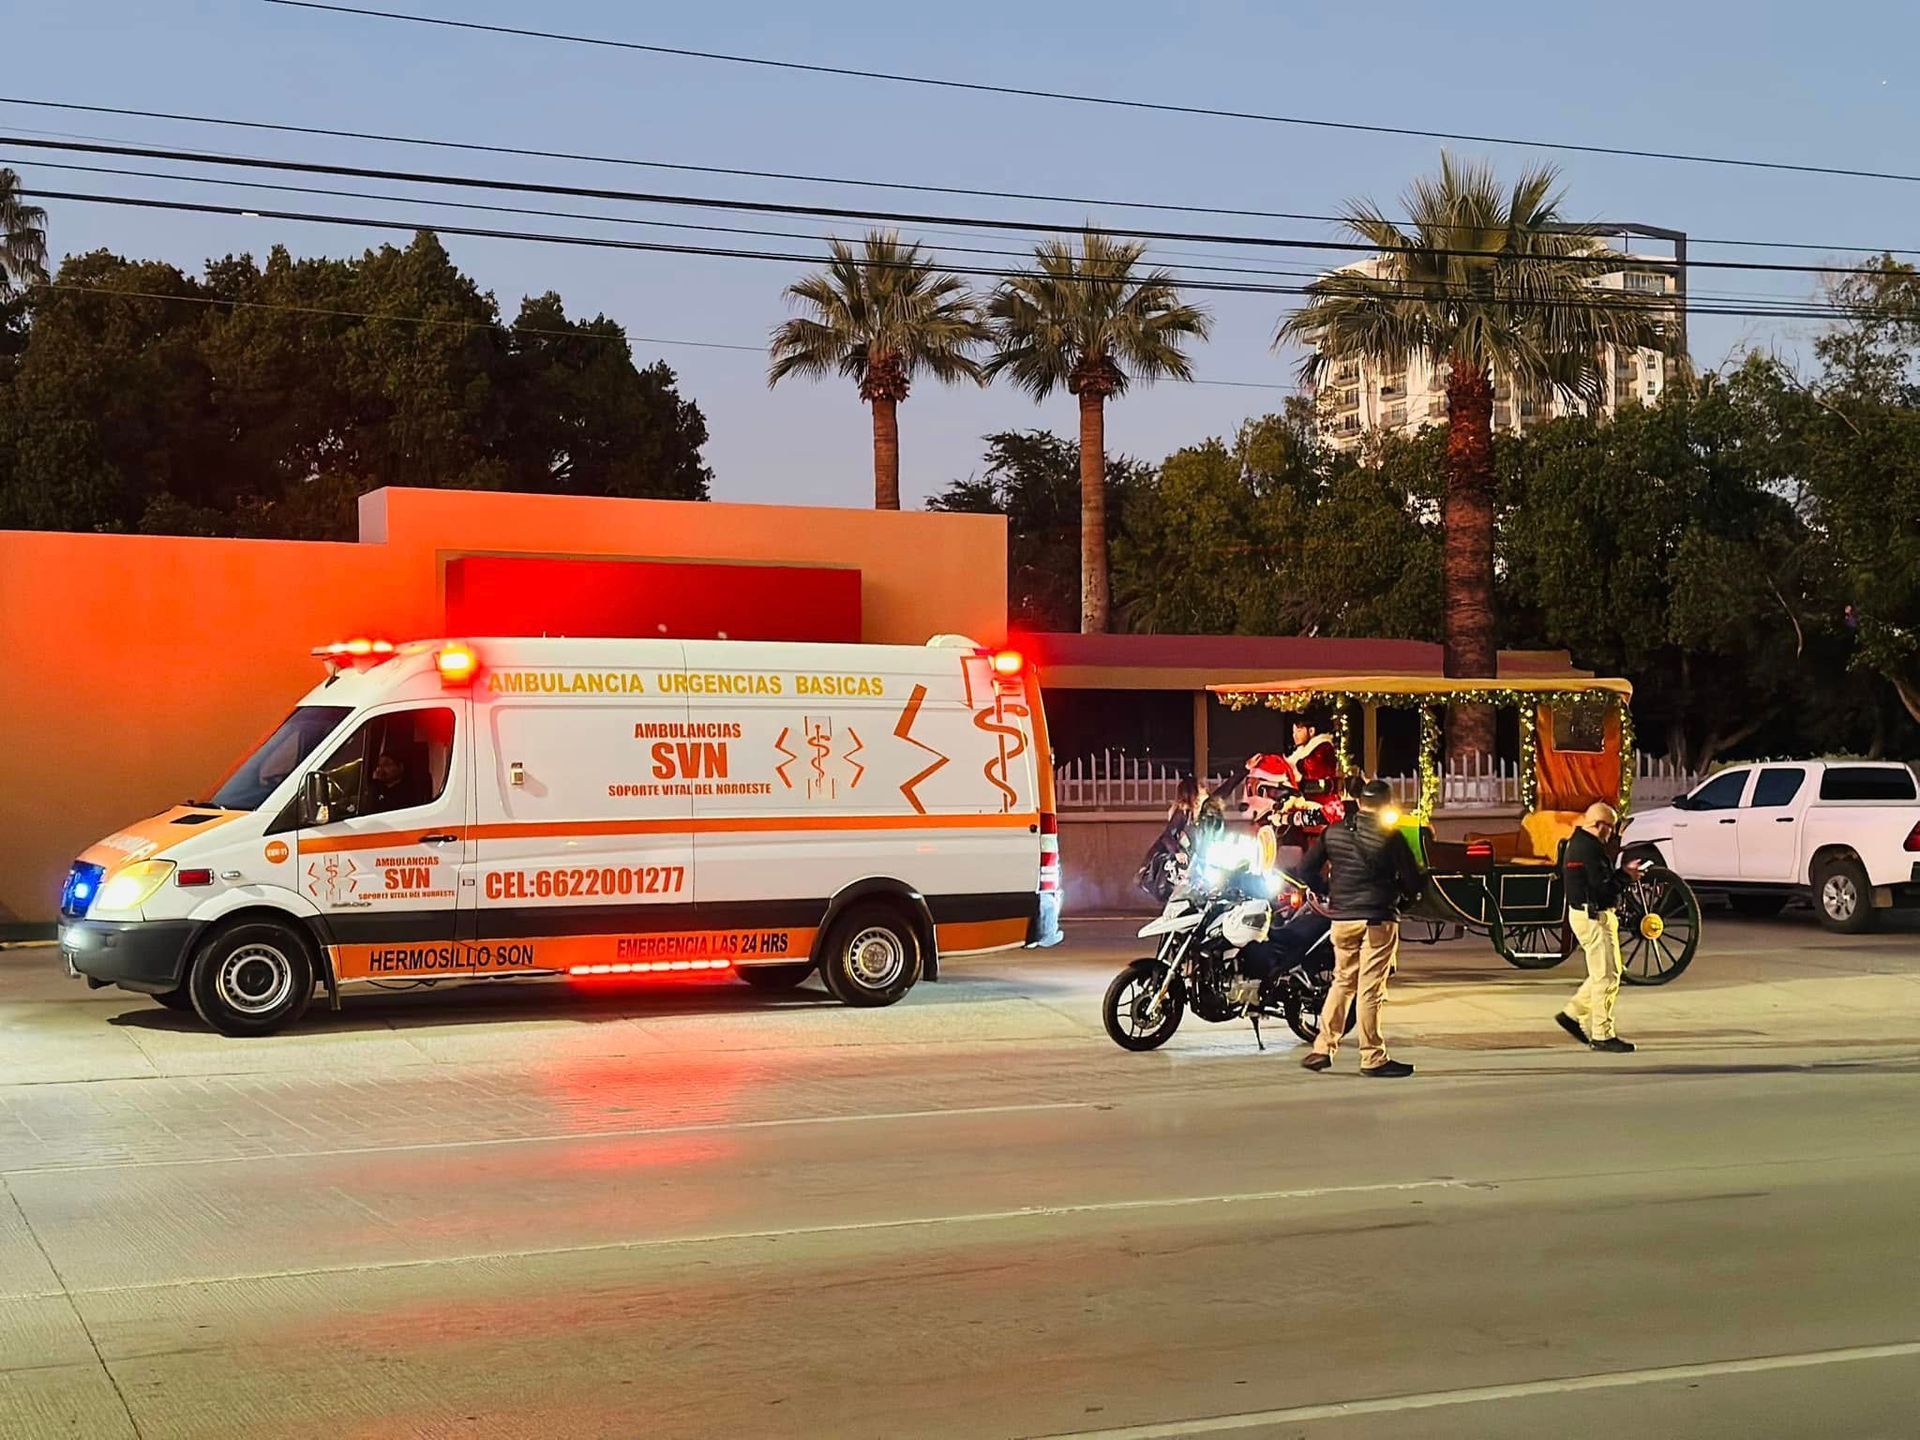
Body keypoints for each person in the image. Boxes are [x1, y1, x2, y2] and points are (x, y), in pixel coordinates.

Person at [1297, 779, 1422, 1078]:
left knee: (1342, 981)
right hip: (1377, 919)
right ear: (1387, 805)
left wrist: (1329, 891)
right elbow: (1413, 881)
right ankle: (1373, 1057)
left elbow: (1305, 869)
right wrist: (1401, 903)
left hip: (1342, 919)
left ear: (1359, 802)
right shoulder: (1391, 836)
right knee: (1370, 989)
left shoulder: (1334, 831)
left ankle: (1322, 1048)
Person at [1556, 802, 1640, 1054]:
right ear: (1600, 825)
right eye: (1610, 827)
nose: (1611, 833)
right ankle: (1602, 1034)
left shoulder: (1578, 843)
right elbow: (1602, 887)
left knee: (1604, 972)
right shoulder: (1590, 849)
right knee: (1607, 977)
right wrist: (1626, 876)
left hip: (1583, 914)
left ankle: (1572, 1014)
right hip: (1594, 917)